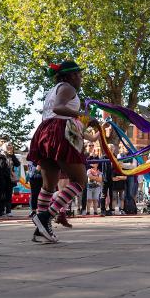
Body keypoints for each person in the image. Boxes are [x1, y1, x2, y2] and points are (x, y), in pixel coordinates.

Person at [27, 61, 100, 242]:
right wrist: (85, 116)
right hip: (60, 131)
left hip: (45, 131)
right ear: (72, 75)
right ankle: (45, 217)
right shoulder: (68, 88)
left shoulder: (53, 89)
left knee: (48, 186)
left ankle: (40, 231)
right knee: (80, 180)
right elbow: (58, 108)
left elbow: (54, 110)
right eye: (79, 75)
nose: (81, 79)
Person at [0, 142, 21, 217]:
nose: (10, 148)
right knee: (0, 195)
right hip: (1, 178)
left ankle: (8, 211)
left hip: (9, 179)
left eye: (11, 147)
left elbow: (17, 164)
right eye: (8, 146)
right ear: (4, 147)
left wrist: (12, 155)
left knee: (8, 195)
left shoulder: (11, 156)